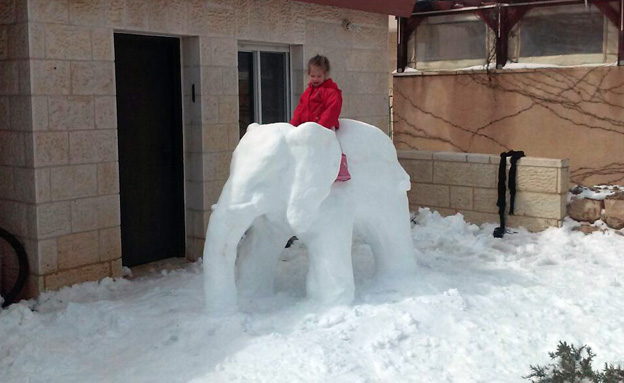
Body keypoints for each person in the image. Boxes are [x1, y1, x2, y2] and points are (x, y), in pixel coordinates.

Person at [290, 55, 351, 182]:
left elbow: (332, 110)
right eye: (313, 76)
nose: (316, 79)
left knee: (330, 145)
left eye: (319, 76)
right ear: (308, 74)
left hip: (324, 126)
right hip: (308, 127)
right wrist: (293, 125)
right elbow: (300, 109)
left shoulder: (331, 91)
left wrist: (321, 127)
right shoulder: (308, 92)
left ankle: (339, 167)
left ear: (325, 74)